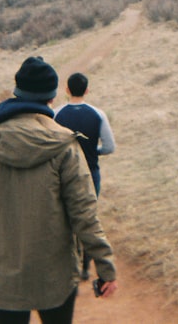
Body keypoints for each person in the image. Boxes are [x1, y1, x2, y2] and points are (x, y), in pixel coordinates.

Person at [0, 56, 118, 324]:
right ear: (51, 98)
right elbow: (85, 215)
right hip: (54, 276)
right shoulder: (65, 147)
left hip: (1, 274)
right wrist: (105, 267)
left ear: (17, 93)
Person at [54, 72, 116, 280]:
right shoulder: (98, 114)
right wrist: (92, 151)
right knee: (88, 219)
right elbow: (109, 147)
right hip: (90, 173)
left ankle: (67, 264)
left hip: (64, 174)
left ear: (67, 90)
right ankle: (85, 268)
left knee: (65, 219)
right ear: (87, 90)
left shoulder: (56, 114)